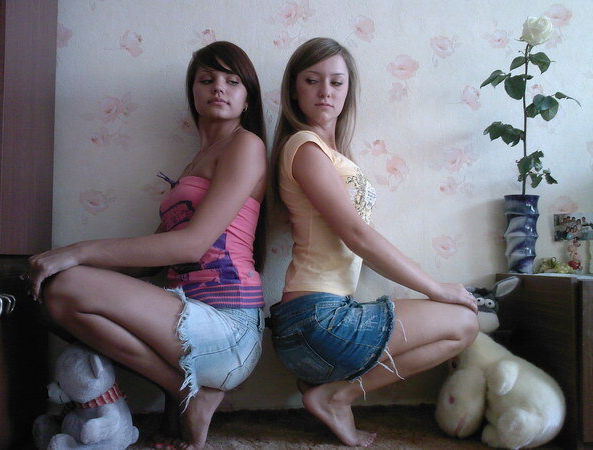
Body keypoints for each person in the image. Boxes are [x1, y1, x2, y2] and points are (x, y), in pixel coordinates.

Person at [26, 41, 267, 450]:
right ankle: (187, 391)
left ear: (248, 99)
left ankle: (189, 392)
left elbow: (191, 246)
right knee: (58, 293)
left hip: (230, 328)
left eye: (232, 81)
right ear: (193, 93)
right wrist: (64, 260)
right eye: (207, 79)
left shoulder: (246, 145)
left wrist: (77, 252)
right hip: (191, 318)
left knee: (67, 285)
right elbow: (150, 259)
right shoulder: (195, 162)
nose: (219, 87)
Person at [269, 37, 479, 447]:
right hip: (317, 322)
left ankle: (328, 390)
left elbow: (355, 238)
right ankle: (338, 397)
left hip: (315, 322)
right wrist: (437, 289)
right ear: (294, 89)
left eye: (336, 82)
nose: (325, 91)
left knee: (458, 320)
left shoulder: (329, 153)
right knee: (464, 324)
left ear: (348, 90)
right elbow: (357, 235)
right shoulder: (306, 148)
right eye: (312, 80)